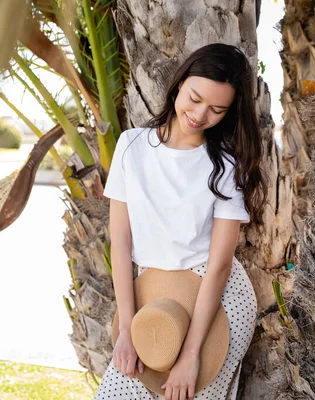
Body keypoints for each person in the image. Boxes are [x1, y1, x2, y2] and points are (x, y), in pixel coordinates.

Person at [94, 43, 267, 400]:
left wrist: (190, 354)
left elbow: (219, 264)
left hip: (214, 299)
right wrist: (127, 329)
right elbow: (121, 243)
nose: (200, 114)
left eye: (217, 110)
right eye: (195, 98)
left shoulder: (225, 166)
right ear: (179, 83)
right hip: (154, 290)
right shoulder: (130, 145)